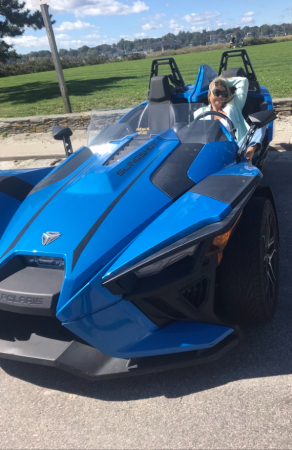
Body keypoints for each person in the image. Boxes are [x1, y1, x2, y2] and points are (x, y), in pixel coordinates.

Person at [193, 76, 266, 162]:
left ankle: (249, 152)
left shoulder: (234, 105)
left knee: (260, 125)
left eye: (224, 93)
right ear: (209, 95)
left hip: (237, 147)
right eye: (217, 92)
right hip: (212, 149)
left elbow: (243, 81)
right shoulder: (200, 113)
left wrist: (221, 81)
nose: (220, 96)